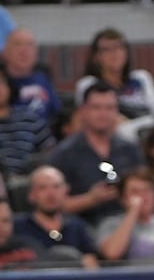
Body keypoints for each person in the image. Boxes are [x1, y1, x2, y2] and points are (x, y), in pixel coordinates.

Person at [46, 81, 145, 227]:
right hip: (84, 228)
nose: (103, 114)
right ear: (83, 111)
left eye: (109, 108)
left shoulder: (130, 149)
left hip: (130, 224)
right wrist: (90, 199)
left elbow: (146, 189)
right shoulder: (63, 154)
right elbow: (51, 205)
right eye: (96, 108)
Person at [13, 164, 99, 267]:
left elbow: (91, 263)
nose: (51, 194)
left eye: (56, 186)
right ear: (31, 195)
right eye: (43, 188)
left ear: (66, 191)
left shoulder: (78, 227)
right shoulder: (17, 228)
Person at [76, 28, 154, 125]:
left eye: (119, 47)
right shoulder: (89, 83)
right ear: (96, 56)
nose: (115, 53)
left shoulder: (141, 78)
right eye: (107, 50)